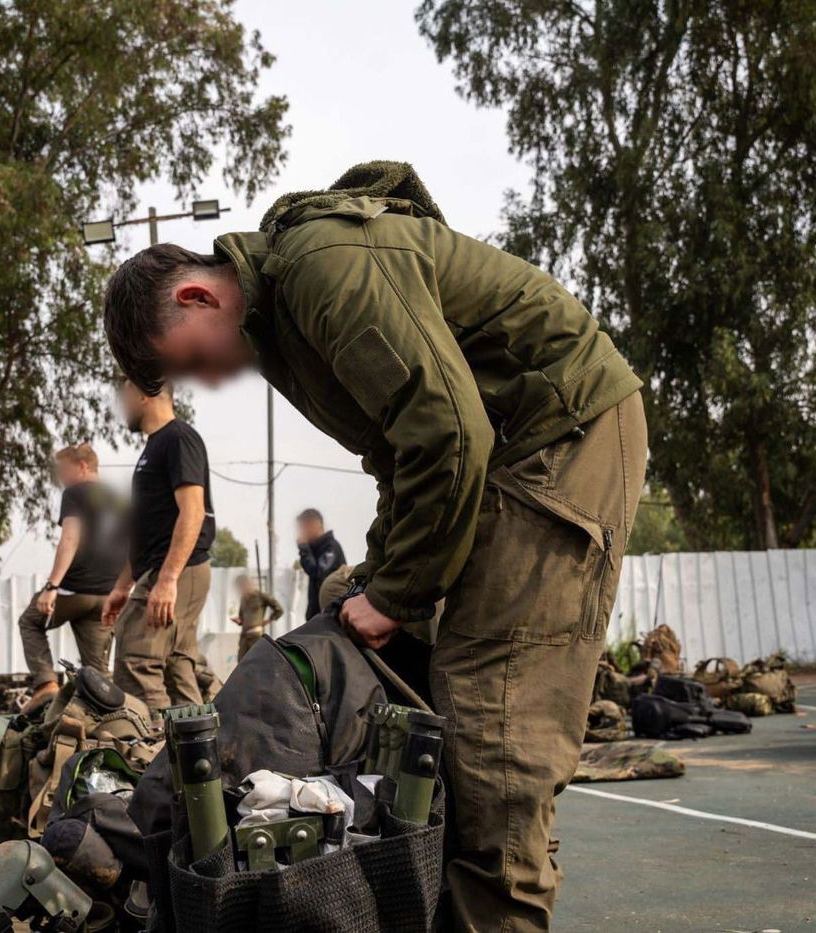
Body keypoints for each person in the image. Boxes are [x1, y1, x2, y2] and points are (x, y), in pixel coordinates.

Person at [101, 161, 646, 931]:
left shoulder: (320, 271)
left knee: (496, 729)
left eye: (191, 361)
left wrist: (396, 593)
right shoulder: (283, 320)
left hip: (558, 433)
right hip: (499, 452)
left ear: (197, 295)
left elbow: (452, 434)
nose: (208, 382)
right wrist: (377, 584)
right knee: (347, 610)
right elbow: (399, 458)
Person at [101, 380, 216, 711]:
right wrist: (123, 585)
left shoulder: (178, 438)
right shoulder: (154, 446)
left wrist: (167, 581)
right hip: (160, 569)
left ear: (142, 394)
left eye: (124, 395)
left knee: (137, 661)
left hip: (178, 571)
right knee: (176, 665)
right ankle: (194, 754)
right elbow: (145, 528)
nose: (122, 405)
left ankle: (151, 753)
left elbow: (192, 511)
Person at [18, 443, 124, 707]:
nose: (60, 478)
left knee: (31, 621)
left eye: (63, 471)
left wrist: (52, 586)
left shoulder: (76, 493)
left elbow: (69, 539)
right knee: (98, 672)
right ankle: (107, 719)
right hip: (106, 594)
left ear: (83, 466)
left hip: (74, 589)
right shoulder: (118, 498)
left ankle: (46, 684)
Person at [296, 508, 346, 618]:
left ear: (315, 525)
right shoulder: (315, 550)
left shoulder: (331, 547)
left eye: (304, 528)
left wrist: (304, 548)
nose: (301, 533)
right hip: (318, 617)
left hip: (331, 618)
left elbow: (318, 572)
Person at [230, 574, 284, 659]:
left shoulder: (261, 596)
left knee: (257, 660)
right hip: (244, 637)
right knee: (242, 662)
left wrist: (268, 621)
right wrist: (239, 621)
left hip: (256, 636)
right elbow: (242, 618)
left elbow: (279, 610)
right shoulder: (243, 599)